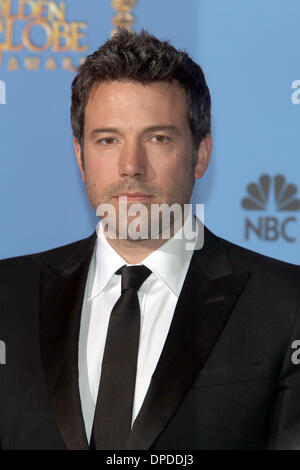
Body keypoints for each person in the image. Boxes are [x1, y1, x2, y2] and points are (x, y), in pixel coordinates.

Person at [1, 29, 300, 451]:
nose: (131, 166)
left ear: (200, 154)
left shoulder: (286, 306)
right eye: (108, 140)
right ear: (80, 157)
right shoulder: (7, 295)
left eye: (158, 138)